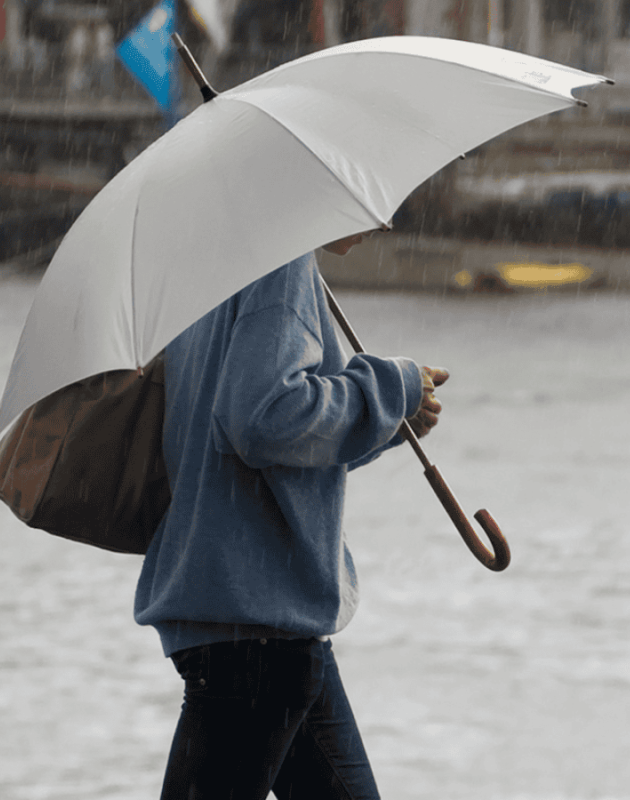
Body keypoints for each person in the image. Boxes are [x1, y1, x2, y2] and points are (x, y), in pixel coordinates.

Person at [135, 230, 447, 799]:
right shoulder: (281, 260)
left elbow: (246, 441)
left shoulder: (214, 262)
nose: (384, 222)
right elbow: (262, 421)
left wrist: (384, 422)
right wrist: (392, 386)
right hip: (257, 627)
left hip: (252, 620)